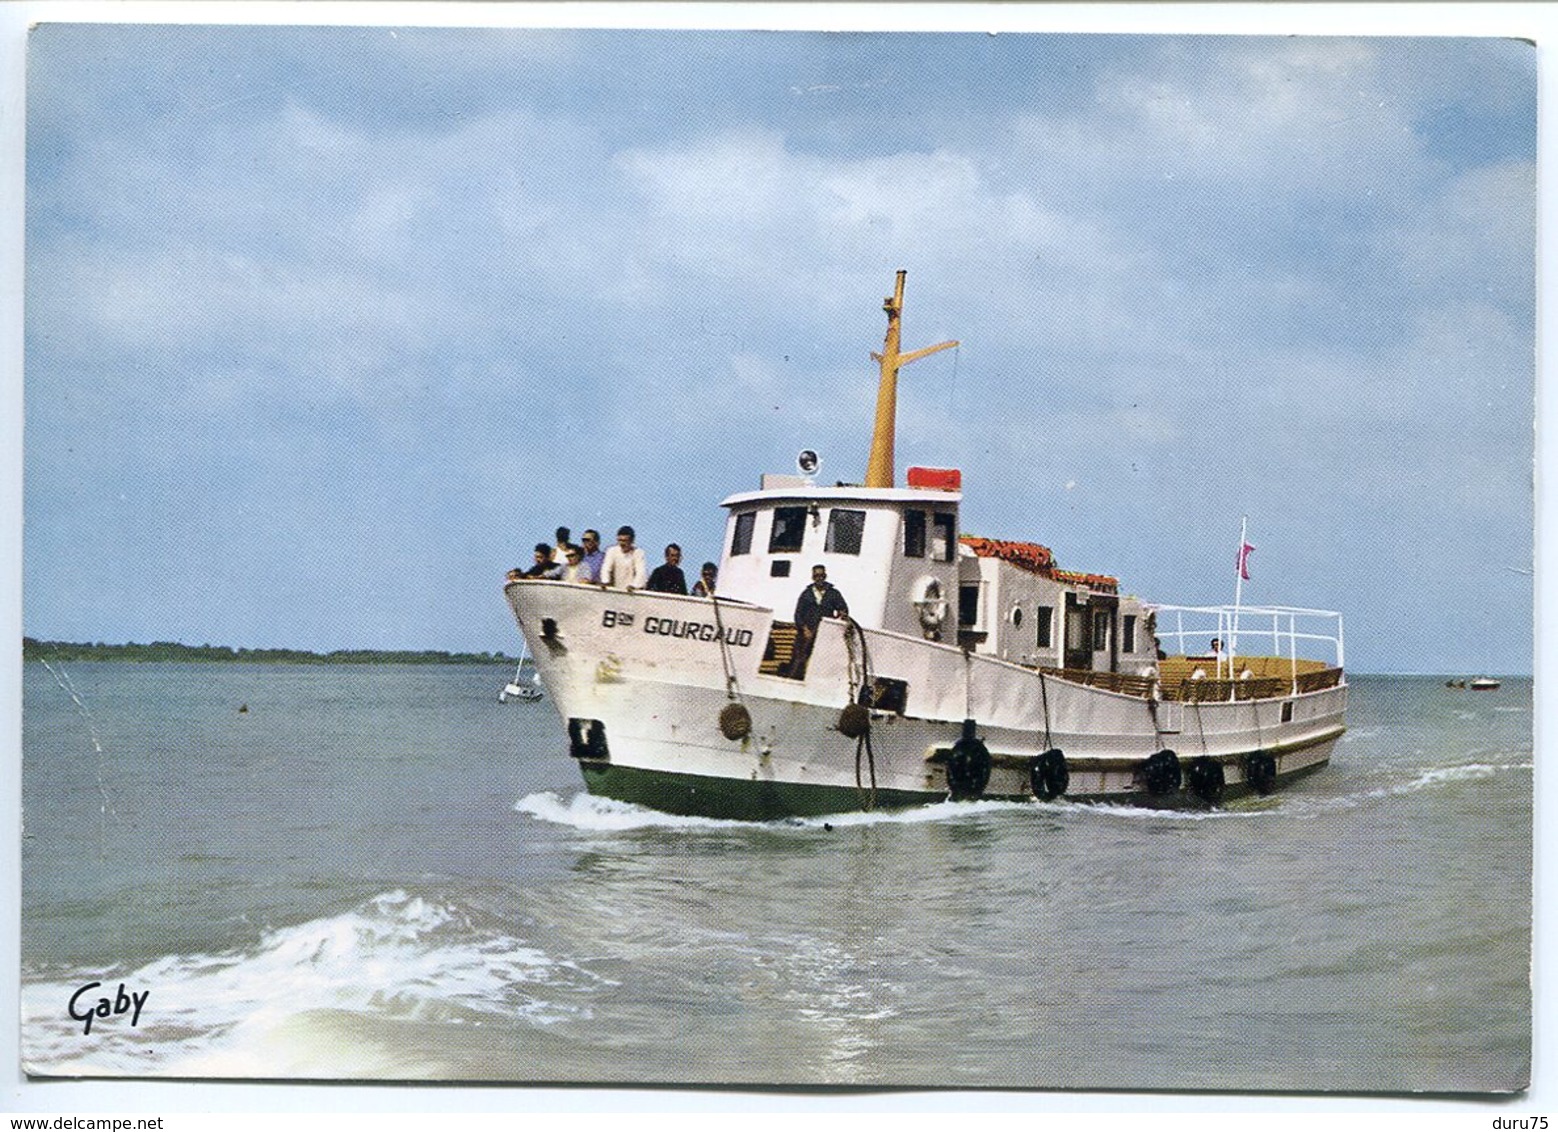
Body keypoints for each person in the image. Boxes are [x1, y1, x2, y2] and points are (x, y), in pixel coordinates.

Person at [787, 564, 848, 677]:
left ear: (825, 576)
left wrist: (841, 614)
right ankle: (795, 677)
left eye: (821, 575)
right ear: (813, 577)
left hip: (824, 633)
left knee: (822, 659)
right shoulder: (806, 594)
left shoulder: (833, 594)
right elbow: (798, 614)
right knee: (800, 658)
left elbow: (843, 609)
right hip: (806, 634)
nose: (819, 578)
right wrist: (805, 629)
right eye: (816, 576)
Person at [600, 525, 648, 590]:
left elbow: (641, 572)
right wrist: (605, 581)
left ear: (632, 541)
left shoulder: (638, 553)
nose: (622, 543)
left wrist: (634, 585)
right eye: (620, 540)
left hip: (631, 591)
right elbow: (606, 568)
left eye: (625, 541)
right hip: (615, 590)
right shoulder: (612, 551)